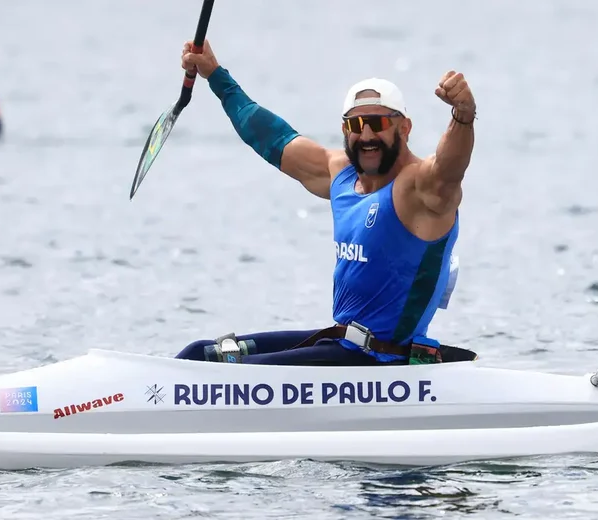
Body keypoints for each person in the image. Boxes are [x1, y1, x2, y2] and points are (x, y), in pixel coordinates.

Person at [173, 39, 476, 366]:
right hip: (343, 346)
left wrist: (463, 116)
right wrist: (216, 76)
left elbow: (449, 170)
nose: (367, 136)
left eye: (378, 123)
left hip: (385, 364)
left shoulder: (419, 188)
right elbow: (271, 137)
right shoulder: (341, 177)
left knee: (225, 371)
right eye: (355, 126)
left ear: (405, 128)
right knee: (197, 354)